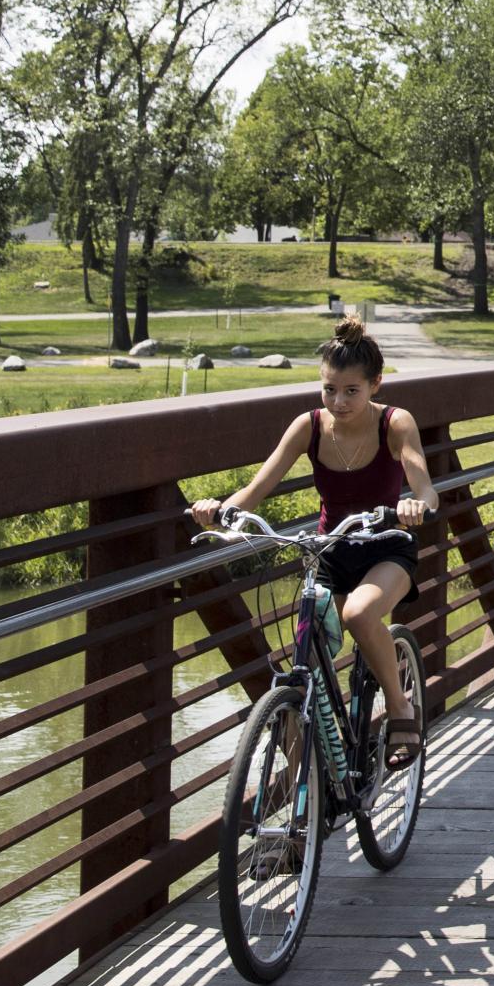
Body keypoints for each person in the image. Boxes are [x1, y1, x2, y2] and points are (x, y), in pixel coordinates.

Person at [191, 314, 437, 770]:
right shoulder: (307, 425)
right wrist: (223, 511)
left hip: (385, 546)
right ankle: (321, 759)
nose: (338, 402)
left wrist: (414, 505)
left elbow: (424, 484)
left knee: (359, 614)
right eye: (328, 389)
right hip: (330, 550)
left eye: (351, 391)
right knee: (308, 643)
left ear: (376, 384)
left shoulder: (396, 423)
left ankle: (400, 706)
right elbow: (259, 486)